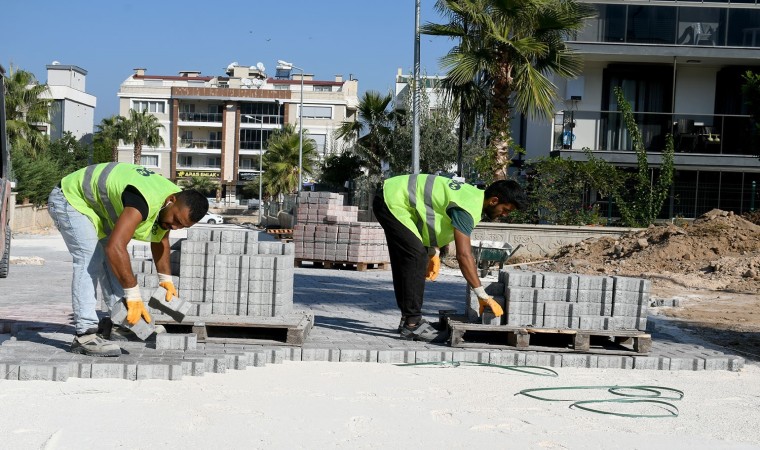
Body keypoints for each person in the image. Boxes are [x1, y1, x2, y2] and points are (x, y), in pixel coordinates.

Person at [47, 162, 209, 356]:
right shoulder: (144, 200)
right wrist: (133, 295)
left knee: (113, 261)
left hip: (97, 209)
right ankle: (85, 335)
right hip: (71, 198)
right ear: (171, 200)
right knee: (91, 258)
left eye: (181, 226)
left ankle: (121, 324)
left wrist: (166, 281)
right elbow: (115, 247)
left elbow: (161, 240)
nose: (174, 227)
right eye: (175, 221)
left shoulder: (174, 203)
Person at [373, 174, 527, 342]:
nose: (504, 215)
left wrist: (433, 251)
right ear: (494, 201)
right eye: (506, 210)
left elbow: (433, 216)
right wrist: (482, 295)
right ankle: (412, 324)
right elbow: (464, 255)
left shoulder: (472, 196)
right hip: (392, 200)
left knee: (413, 258)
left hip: (392, 196)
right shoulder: (467, 209)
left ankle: (408, 319)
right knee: (415, 257)